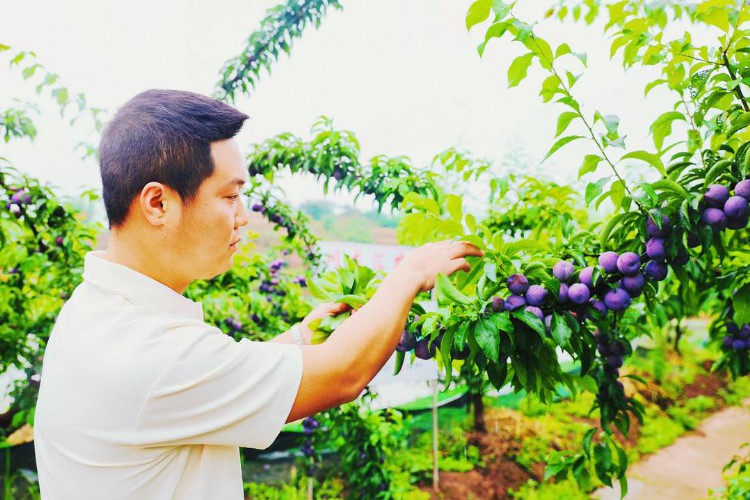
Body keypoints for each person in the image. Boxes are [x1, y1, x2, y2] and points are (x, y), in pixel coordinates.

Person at [33, 89, 483, 499]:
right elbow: (344, 374)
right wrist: (409, 275)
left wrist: (299, 341)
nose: (243, 217)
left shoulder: (97, 314)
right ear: (158, 204)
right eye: (229, 197)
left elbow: (199, 381)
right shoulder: (149, 353)